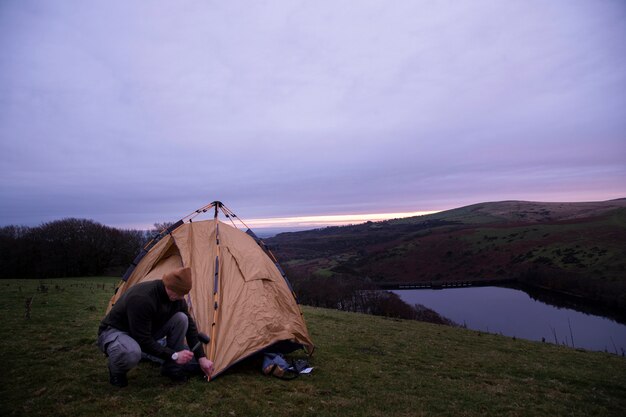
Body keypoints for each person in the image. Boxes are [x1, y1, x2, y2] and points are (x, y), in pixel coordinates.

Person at [97, 266, 214, 387]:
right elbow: (142, 339)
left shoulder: (177, 299)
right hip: (115, 331)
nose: (181, 297)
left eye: (184, 294)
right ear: (170, 287)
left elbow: (190, 328)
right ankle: (117, 371)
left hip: (144, 332)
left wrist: (202, 358)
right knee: (131, 352)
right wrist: (174, 355)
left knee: (182, 319)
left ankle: (172, 368)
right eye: (180, 293)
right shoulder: (143, 299)